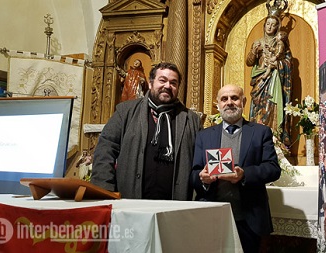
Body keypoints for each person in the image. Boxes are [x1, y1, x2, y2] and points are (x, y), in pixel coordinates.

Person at [91, 62, 203, 200]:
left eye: (173, 83)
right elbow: (106, 149)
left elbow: (200, 162)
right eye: (162, 80)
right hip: (131, 200)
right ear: (150, 83)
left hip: (176, 205)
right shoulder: (125, 112)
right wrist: (104, 189)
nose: (168, 86)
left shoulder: (191, 120)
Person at [191, 84, 281, 253]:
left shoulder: (261, 132)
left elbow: (273, 169)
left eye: (235, 98)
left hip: (249, 219)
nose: (229, 102)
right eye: (224, 99)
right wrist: (202, 178)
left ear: (243, 102)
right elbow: (194, 173)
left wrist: (244, 174)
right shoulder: (204, 135)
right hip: (212, 216)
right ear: (218, 104)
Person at [246, 14, 292, 144]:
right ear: (264, 25)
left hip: (275, 79)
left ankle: (275, 137)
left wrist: (278, 64)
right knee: (258, 107)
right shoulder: (257, 42)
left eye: (273, 24)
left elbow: (289, 64)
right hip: (260, 79)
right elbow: (249, 62)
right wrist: (254, 52)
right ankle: (256, 138)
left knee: (272, 105)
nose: (270, 27)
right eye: (268, 24)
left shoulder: (281, 43)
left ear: (277, 27)